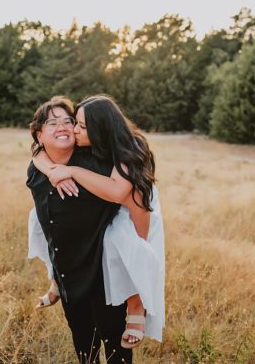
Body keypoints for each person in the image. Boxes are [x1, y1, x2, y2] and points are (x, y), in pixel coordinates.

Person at [30, 95, 165, 350]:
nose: (73, 129)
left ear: (100, 127)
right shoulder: (84, 146)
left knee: (127, 248)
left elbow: (121, 195)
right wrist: (51, 170)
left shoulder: (130, 147)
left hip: (135, 212)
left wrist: (72, 172)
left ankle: (136, 305)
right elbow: (38, 153)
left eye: (78, 125)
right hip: (106, 207)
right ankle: (58, 280)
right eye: (75, 123)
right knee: (50, 224)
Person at [24, 96, 132, 363]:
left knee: (117, 350)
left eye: (68, 121)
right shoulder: (35, 171)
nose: (63, 126)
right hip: (69, 278)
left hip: (104, 276)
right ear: (39, 135)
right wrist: (56, 283)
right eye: (52, 122)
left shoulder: (97, 160)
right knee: (85, 348)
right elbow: (52, 232)